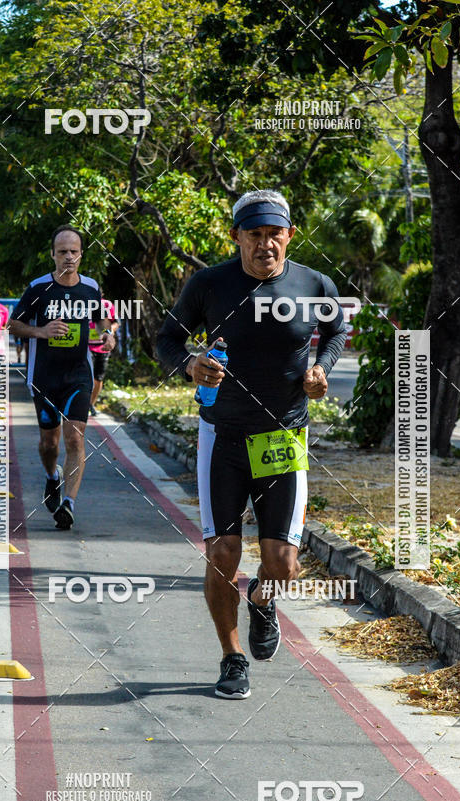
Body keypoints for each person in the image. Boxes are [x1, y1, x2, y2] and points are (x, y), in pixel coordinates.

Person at [157, 189, 347, 699]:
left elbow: (336, 331)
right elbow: (167, 339)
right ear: (237, 236)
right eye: (254, 235)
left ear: (288, 235)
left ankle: (264, 601)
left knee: (282, 562)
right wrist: (189, 363)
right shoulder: (210, 284)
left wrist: (320, 369)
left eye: (274, 235)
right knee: (222, 551)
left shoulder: (314, 283)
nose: (266, 245)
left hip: (284, 436)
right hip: (223, 434)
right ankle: (232, 657)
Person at [8, 225, 115, 530]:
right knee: (48, 444)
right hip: (43, 376)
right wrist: (41, 331)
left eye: (74, 251)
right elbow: (13, 325)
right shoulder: (39, 287)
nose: (68, 257)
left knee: (75, 436)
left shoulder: (91, 287)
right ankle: (52, 476)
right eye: (63, 252)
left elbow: (100, 318)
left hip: (78, 375)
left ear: (81, 254)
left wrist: (106, 334)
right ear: (53, 254)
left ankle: (68, 503)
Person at [88, 300, 118, 416]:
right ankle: (83, 403)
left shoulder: (107, 305)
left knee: (98, 378)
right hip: (86, 347)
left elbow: (115, 323)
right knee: (87, 376)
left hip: (102, 347)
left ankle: (91, 404)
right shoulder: (81, 301)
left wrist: (109, 333)